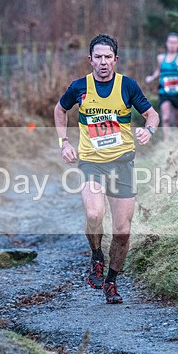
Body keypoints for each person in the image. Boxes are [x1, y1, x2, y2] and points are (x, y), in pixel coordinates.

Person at [54, 34, 160, 304]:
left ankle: (111, 282)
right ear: (90, 60)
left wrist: (149, 130)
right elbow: (60, 109)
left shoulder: (128, 86)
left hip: (123, 163)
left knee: (123, 231)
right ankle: (96, 257)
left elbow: (152, 114)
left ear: (116, 59)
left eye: (108, 57)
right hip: (91, 162)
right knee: (94, 213)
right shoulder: (79, 87)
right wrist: (63, 142)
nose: (103, 62)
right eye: (98, 57)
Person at [145, 32, 178, 128]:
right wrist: (151, 77)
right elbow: (158, 71)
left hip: (177, 92)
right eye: (170, 42)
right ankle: (166, 140)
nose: (172, 45)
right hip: (164, 91)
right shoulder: (160, 58)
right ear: (166, 43)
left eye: (174, 43)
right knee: (165, 118)